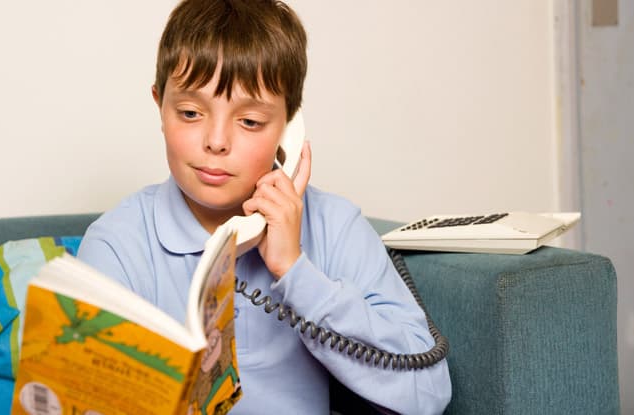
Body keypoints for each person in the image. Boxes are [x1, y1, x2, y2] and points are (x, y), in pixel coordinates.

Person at [77, 0, 452, 413]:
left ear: (289, 126)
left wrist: (296, 273)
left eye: (250, 121)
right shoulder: (118, 244)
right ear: (160, 107)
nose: (216, 141)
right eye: (189, 112)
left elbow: (428, 396)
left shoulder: (336, 226)